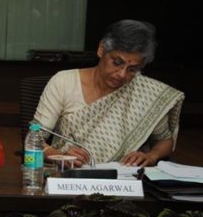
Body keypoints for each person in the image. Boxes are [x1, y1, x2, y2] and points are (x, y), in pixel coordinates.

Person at [33, 19, 185, 167]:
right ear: (101, 49)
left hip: (124, 176)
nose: (122, 74)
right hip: (72, 172)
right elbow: (34, 139)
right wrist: (59, 156)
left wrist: (151, 156)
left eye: (132, 69)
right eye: (117, 63)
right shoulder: (64, 82)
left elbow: (165, 140)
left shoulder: (147, 93)